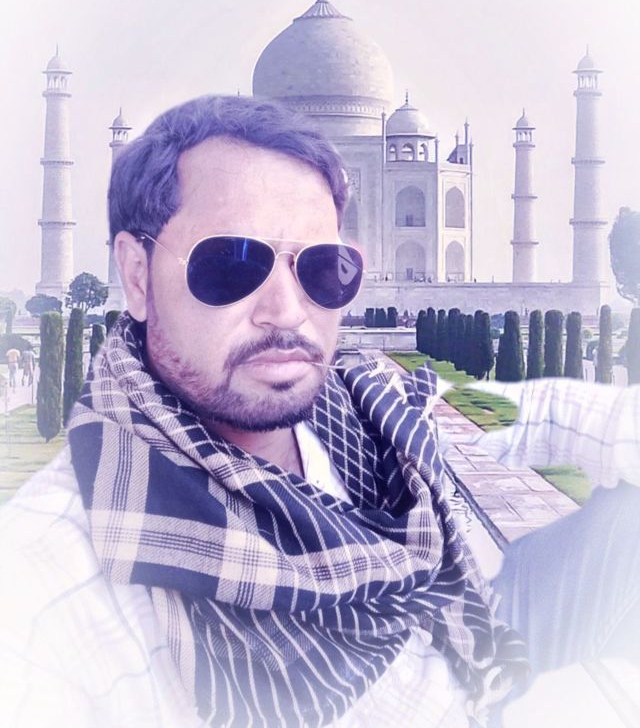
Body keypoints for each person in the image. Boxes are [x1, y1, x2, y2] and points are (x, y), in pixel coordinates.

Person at [0, 95, 638, 728]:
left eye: (323, 268)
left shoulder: (362, 408)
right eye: (232, 264)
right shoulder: (47, 590)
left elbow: (525, 425)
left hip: (467, 642)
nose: (286, 310)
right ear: (137, 276)